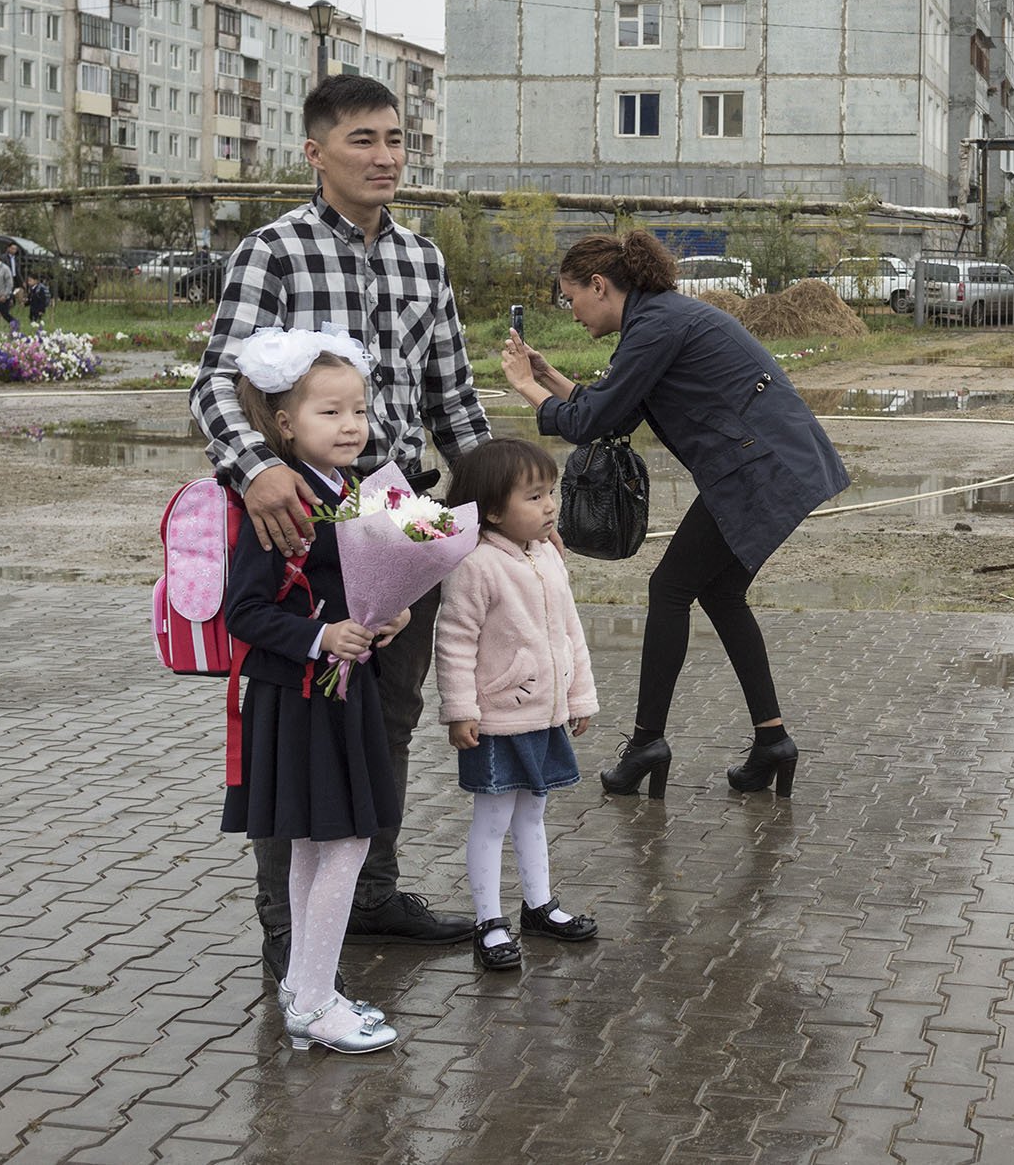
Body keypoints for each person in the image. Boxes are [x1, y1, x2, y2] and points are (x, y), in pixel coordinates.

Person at [191, 72, 491, 978]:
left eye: (396, 139)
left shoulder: (423, 260)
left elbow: (454, 396)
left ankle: (370, 894)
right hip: (308, 522)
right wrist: (260, 469)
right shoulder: (272, 253)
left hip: (398, 521)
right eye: (363, 139)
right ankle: (288, 933)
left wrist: (500, 504)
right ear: (317, 152)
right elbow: (214, 383)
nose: (386, 156)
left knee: (387, 714)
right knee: (302, 717)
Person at [501, 230, 848, 801]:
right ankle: (771, 741)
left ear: (598, 285)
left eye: (571, 299)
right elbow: (610, 411)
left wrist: (524, 390)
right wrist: (548, 380)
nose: (572, 314)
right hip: (769, 461)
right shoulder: (656, 320)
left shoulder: (655, 327)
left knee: (669, 588)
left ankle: (647, 744)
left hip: (758, 467)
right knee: (719, 593)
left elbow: (590, 423)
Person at [218, 329, 403, 1052]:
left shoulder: (357, 490)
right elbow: (245, 610)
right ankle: (317, 998)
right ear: (285, 423)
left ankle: (304, 985)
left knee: (314, 846)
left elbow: (360, 584)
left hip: (339, 690)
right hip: (299, 694)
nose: (351, 424)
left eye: (357, 409)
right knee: (347, 840)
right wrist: (320, 637)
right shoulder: (282, 500)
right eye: (330, 412)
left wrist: (394, 611)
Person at [437, 438, 600, 970]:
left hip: (545, 714)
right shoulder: (476, 565)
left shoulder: (548, 555)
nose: (550, 505)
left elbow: (570, 628)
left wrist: (580, 694)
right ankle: (489, 922)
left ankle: (540, 906)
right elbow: (455, 640)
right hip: (498, 720)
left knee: (533, 814)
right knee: (492, 819)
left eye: (550, 492)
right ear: (491, 510)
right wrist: (461, 709)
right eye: (534, 497)